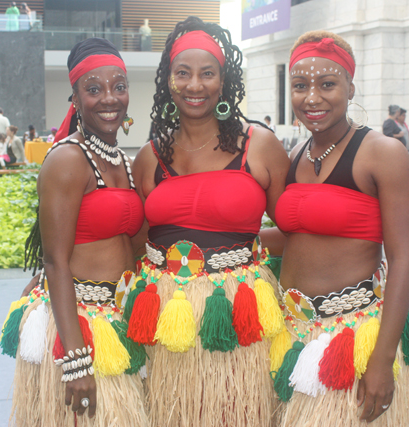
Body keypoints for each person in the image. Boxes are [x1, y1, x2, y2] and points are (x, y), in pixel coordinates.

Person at [132, 16, 289, 427]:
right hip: (168, 314)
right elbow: (135, 239)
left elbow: (294, 228)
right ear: (168, 81)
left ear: (224, 81)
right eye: (182, 73)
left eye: (207, 74)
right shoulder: (149, 157)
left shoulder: (259, 145)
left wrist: (240, 256)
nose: (194, 85)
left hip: (238, 311)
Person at [268, 31, 409, 426]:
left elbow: (403, 259)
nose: (313, 97)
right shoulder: (294, 155)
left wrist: (382, 359)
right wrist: (219, 239)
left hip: (355, 337)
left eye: (327, 84)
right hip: (293, 333)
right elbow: (297, 235)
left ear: (350, 87)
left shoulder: (382, 152)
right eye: (300, 85)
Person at [1, 38, 148, 426]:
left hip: (116, 319)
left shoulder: (124, 161)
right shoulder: (68, 159)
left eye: (119, 86)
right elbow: (55, 260)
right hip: (78, 323)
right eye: (94, 89)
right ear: (76, 98)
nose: (109, 98)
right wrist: (76, 362)